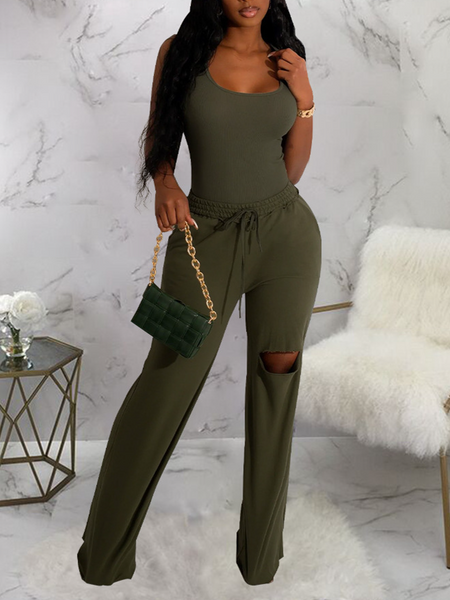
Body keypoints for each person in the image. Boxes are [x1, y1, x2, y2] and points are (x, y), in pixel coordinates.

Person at [77, 0, 321, 587]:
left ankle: (260, 561)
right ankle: (103, 556)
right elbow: (160, 138)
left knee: (276, 382)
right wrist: (166, 183)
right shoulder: (181, 52)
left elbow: (291, 171)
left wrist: (305, 96)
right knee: (164, 382)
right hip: (201, 235)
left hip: (286, 237)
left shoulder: (288, 58)